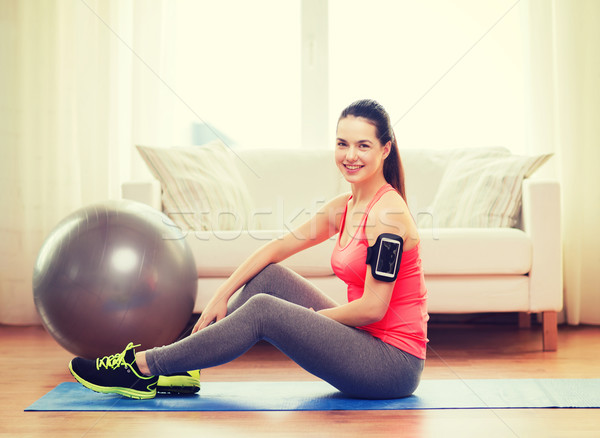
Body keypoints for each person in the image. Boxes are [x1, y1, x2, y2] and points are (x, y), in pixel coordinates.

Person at [68, 99, 429, 400]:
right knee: (268, 278)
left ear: (385, 150)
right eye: (342, 143)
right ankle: (184, 365)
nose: (350, 155)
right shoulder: (346, 205)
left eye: (363, 145)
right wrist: (221, 295)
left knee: (264, 311)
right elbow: (276, 248)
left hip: (391, 366)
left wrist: (308, 320)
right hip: (365, 345)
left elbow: (372, 307)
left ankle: (144, 367)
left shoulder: (389, 216)